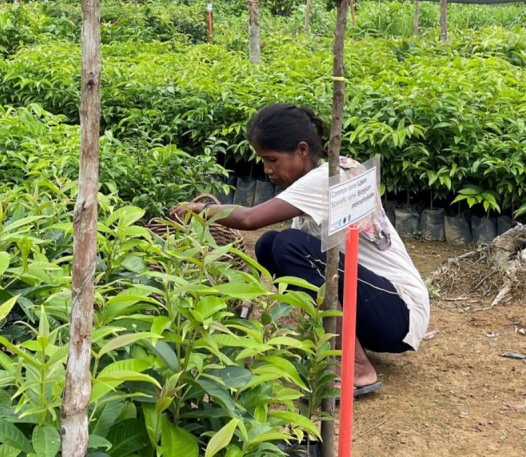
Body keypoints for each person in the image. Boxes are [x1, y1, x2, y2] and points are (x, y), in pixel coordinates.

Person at [169, 103, 430, 398]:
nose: (267, 170)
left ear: (302, 150)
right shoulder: (330, 171)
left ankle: (357, 367)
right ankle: (332, 345)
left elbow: (249, 218)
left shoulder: (322, 179)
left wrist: (198, 209)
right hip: (383, 310)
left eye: (271, 160)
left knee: (287, 244)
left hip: (400, 311)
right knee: (271, 246)